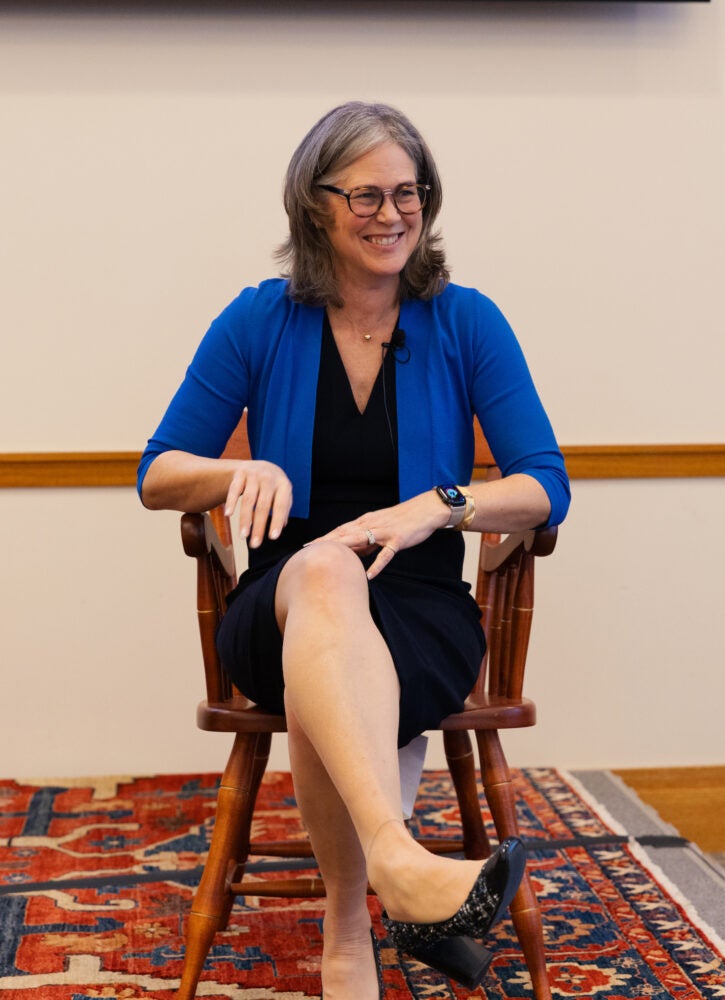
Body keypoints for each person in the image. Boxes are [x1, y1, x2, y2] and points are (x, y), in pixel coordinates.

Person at [138, 101, 570, 999]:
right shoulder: (260, 321)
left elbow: (542, 484)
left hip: (418, 604)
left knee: (334, 654)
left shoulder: (465, 321)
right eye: (367, 194)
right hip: (281, 601)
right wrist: (237, 473)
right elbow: (156, 471)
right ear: (315, 205)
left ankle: (349, 930)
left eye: (408, 192)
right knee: (325, 575)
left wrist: (438, 507)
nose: (392, 213)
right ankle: (401, 868)